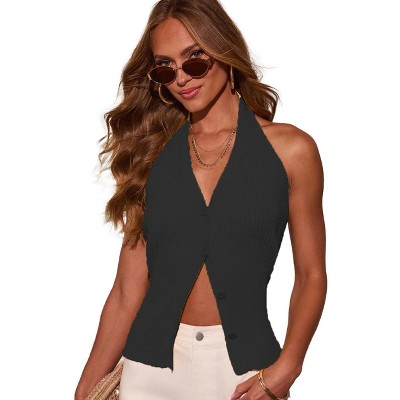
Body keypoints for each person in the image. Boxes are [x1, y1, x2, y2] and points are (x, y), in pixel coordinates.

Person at [75, 0, 327, 399]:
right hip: (149, 372)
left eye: (194, 60)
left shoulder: (290, 150)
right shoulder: (152, 153)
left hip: (244, 373)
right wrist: (84, 390)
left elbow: (311, 274)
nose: (181, 79)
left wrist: (288, 367)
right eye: (166, 68)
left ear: (225, 52)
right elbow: (126, 291)